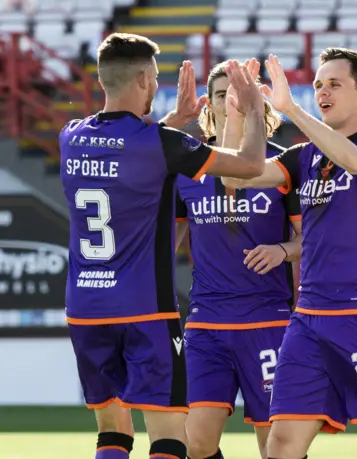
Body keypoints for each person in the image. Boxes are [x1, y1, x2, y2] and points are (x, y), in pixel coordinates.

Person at [222, 50, 357, 459]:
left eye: (334, 84)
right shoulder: (301, 156)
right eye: (319, 85)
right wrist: (242, 115)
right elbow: (236, 176)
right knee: (282, 444)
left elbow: (356, 161)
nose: (323, 92)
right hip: (308, 321)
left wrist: (291, 110)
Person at [59, 33, 267, 459]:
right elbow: (248, 166)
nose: (155, 85)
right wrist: (255, 109)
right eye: (153, 78)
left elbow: (124, 149)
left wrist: (171, 121)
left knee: (112, 432)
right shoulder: (162, 144)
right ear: (141, 80)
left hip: (84, 308)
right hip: (144, 309)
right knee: (170, 434)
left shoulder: (70, 137)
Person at [168, 59, 302, 459]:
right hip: (206, 324)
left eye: (240, 95)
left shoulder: (283, 165)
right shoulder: (187, 171)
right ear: (210, 104)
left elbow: (313, 240)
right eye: (223, 96)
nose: (232, 104)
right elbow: (167, 244)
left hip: (270, 322)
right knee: (195, 442)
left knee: (275, 446)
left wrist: (283, 250)